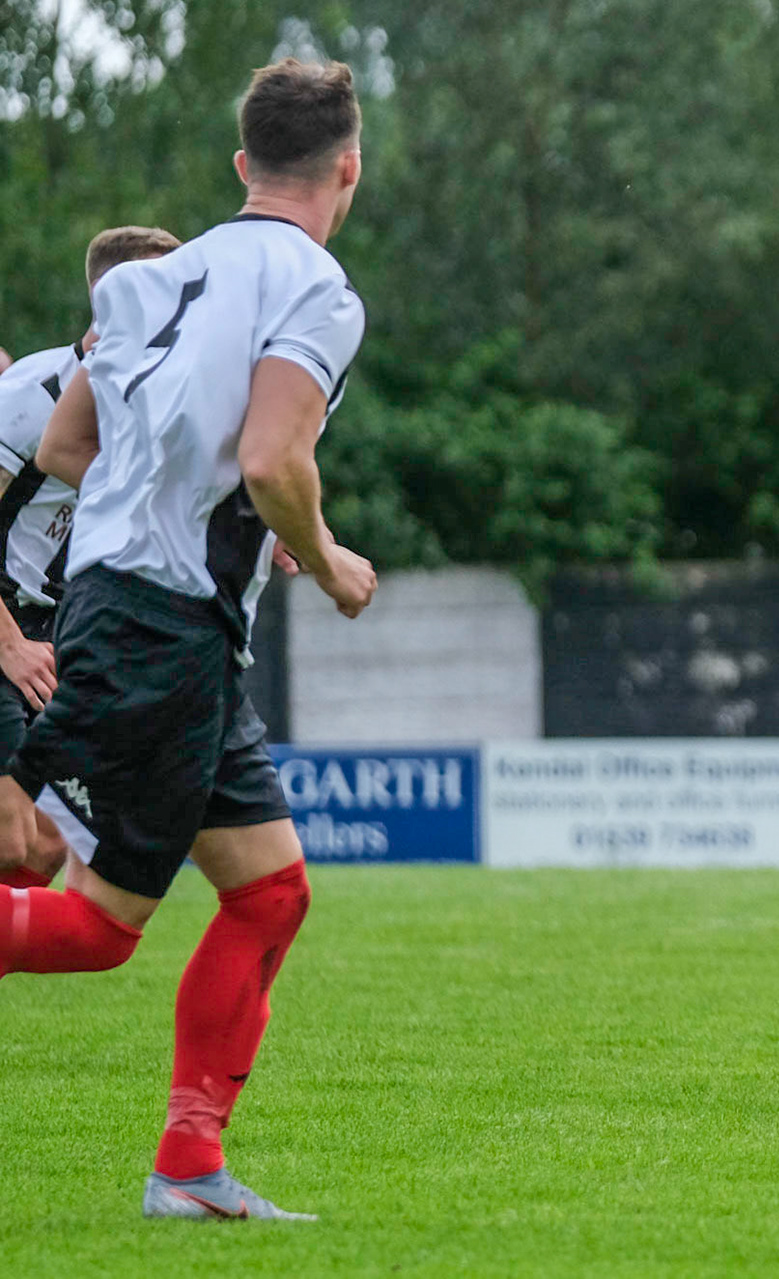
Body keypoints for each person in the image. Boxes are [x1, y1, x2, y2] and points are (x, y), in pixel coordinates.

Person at [0, 58, 378, 1221]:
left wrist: (167, 500)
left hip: (149, 616)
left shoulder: (153, 278)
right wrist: (330, 560)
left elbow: (66, 447)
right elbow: (271, 459)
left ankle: (189, 1168)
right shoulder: (318, 290)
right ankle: (185, 1168)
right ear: (349, 170)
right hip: (165, 624)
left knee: (271, 893)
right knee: (97, 925)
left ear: (242, 163)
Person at [0, 226, 183, 892]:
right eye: (169, 293)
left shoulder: (140, 403)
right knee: (14, 838)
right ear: (115, 299)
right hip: (8, 628)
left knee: (47, 845)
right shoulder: (31, 396)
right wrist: (10, 645)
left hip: (45, 631)